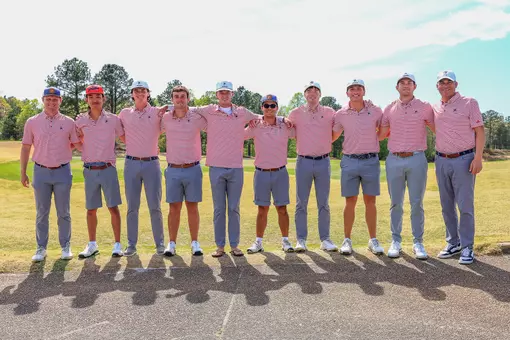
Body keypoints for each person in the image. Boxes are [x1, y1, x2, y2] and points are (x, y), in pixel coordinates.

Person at [194, 81, 290, 257]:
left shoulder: (242, 112)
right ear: (217, 95)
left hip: (236, 167)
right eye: (221, 92)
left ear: (232, 95)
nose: (224, 95)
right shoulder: (208, 110)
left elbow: (262, 116)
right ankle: (220, 246)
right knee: (219, 209)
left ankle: (234, 245)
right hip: (215, 166)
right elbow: (187, 108)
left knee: (234, 208)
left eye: (227, 92)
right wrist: (163, 108)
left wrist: (282, 118)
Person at [20, 87, 81, 262]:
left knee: (64, 212)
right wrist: (23, 172)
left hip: (62, 171)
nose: (52, 103)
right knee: (42, 212)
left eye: (55, 99)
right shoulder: (32, 122)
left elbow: (77, 143)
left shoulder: (69, 122)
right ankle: (41, 248)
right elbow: (25, 147)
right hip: (40, 172)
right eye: (48, 99)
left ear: (60, 101)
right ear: (43, 100)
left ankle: (65, 246)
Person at [378, 73, 435, 260]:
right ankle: (396, 241)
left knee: (416, 202)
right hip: (394, 159)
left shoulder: (425, 107)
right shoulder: (389, 109)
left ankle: (418, 242)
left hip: (417, 158)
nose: (405, 85)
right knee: (396, 203)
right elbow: (381, 134)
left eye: (409, 82)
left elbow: (438, 129)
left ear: (414, 87)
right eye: (402, 83)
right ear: (397, 87)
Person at [433, 70, 485, 265]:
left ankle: (467, 246)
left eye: (449, 82)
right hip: (441, 160)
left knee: (464, 206)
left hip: (464, 159)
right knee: (446, 206)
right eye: (441, 82)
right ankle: (453, 243)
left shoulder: (469, 102)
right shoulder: (435, 107)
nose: (445, 85)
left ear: (456, 84)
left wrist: (478, 157)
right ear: (437, 86)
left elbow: (479, 131)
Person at [333, 79, 384, 255]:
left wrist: (374, 138)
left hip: (370, 160)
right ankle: (347, 240)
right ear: (347, 93)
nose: (355, 91)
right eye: (352, 89)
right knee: (350, 201)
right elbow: (333, 135)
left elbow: (384, 131)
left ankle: (373, 239)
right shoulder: (340, 114)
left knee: (370, 201)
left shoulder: (375, 110)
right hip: (349, 160)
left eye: (359, 88)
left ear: (364, 91)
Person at [118, 80, 167, 256]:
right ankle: (131, 244)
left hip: (151, 163)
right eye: (136, 90)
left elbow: (165, 125)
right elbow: (121, 134)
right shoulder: (124, 113)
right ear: (132, 94)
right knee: (132, 206)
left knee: (155, 206)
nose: (139, 93)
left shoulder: (157, 112)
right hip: (131, 163)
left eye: (143, 90)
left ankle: (160, 243)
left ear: (148, 93)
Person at [75, 85, 125, 258]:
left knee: (113, 207)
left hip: (107, 169)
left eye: (98, 96)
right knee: (91, 209)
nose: (95, 100)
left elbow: (125, 137)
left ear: (104, 99)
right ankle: (92, 244)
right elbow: (75, 139)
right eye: (91, 97)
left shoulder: (113, 119)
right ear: (86, 100)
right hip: (89, 170)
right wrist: (86, 150)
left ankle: (117, 244)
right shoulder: (80, 120)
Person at [288, 81, 338, 252]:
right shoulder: (295, 113)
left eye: (316, 90)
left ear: (320, 95)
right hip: (303, 162)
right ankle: (301, 239)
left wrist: (325, 142)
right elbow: (286, 128)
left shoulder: (330, 112)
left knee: (323, 202)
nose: (312, 93)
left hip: (324, 161)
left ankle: (325, 239)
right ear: (305, 94)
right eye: (309, 90)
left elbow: (338, 129)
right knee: (301, 202)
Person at [244, 94, 295, 253]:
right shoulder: (256, 125)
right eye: (266, 105)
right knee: (262, 209)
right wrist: (252, 121)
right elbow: (239, 135)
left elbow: (301, 130)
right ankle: (258, 242)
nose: (269, 108)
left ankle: (285, 241)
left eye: (272, 105)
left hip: (280, 172)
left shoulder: (285, 125)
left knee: (282, 208)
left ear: (277, 107)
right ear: (262, 108)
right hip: (261, 173)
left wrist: (285, 119)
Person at [160, 85, 206, 256]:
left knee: (192, 207)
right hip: (173, 169)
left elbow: (215, 125)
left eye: (182, 96)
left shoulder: (196, 118)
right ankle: (171, 243)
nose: (179, 99)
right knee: (174, 208)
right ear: (172, 99)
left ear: (188, 99)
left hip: (192, 168)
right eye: (176, 96)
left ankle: (195, 243)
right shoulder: (164, 118)